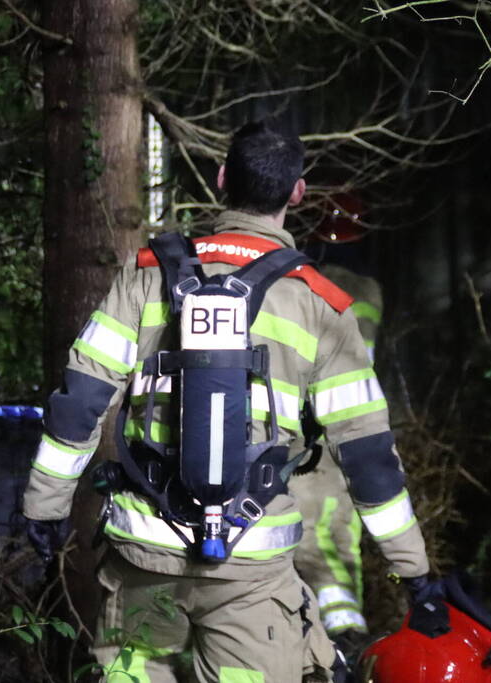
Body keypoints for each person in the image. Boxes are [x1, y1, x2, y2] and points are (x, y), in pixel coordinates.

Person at [22, 121, 429, 683]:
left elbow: (80, 402)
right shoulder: (321, 305)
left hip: (144, 556)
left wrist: (43, 508)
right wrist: (414, 570)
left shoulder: (148, 276)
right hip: (253, 569)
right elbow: (368, 457)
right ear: (296, 193)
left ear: (220, 180)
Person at [289, 195, 383, 651]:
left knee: (309, 546)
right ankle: (344, 644)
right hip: (341, 440)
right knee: (337, 547)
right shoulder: (368, 292)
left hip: (307, 438)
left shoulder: (295, 287)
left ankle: (329, 646)